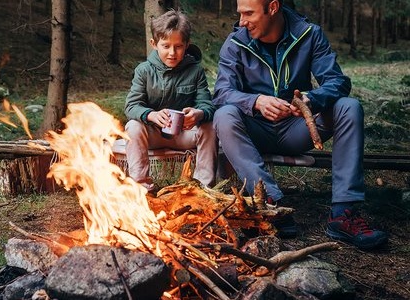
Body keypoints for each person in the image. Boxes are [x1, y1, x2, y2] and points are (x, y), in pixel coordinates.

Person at [212, 0, 387, 249]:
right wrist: (256, 101)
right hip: (254, 131)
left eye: (248, 13)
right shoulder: (235, 43)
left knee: (349, 107)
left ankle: (343, 213)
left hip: (298, 129)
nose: (241, 21)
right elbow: (220, 92)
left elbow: (337, 82)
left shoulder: (309, 34)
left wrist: (310, 99)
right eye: (240, 14)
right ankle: (270, 203)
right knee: (224, 114)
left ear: (272, 8)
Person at [124, 10, 217, 195]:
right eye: (166, 46)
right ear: (154, 44)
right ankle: (141, 189)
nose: (172, 53)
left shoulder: (195, 71)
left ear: (187, 45)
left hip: (184, 134)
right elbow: (131, 106)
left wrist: (198, 114)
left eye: (179, 46)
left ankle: (203, 189)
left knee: (210, 126)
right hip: (154, 134)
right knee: (133, 126)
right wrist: (152, 115)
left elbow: (207, 105)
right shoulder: (144, 71)